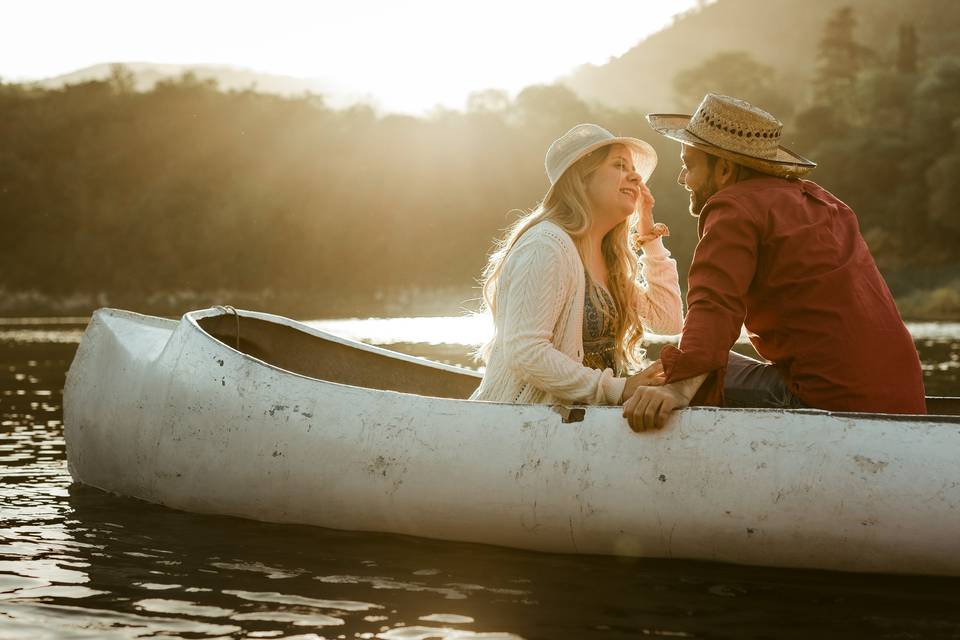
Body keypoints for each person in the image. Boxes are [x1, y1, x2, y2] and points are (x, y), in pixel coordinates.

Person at [623, 93, 926, 431]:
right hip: (904, 394)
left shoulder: (734, 207)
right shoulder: (825, 203)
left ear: (724, 169)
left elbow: (714, 304)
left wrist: (678, 389)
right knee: (691, 362)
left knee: (667, 374)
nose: (683, 178)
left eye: (689, 164)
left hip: (832, 401)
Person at [470, 123, 683, 405]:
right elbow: (525, 352)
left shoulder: (607, 257)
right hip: (526, 425)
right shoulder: (546, 245)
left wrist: (648, 234)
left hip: (583, 425)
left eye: (634, 169)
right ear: (582, 179)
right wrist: (618, 388)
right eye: (620, 165)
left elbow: (668, 320)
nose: (635, 177)